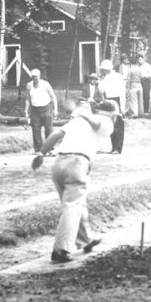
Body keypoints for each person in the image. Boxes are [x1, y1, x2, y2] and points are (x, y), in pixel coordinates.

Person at [32, 99, 116, 263]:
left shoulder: (79, 120)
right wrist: (84, 113)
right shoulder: (106, 121)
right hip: (77, 163)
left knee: (76, 203)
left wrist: (42, 153)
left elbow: (56, 135)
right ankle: (61, 250)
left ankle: (86, 240)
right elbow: (99, 122)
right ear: (113, 114)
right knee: (73, 206)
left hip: (59, 164)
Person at [25, 68, 58, 154]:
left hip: (46, 108)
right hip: (35, 109)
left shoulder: (45, 84)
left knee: (49, 129)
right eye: (32, 77)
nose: (34, 79)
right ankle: (38, 149)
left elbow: (53, 97)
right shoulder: (29, 85)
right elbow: (28, 99)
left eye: (36, 77)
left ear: (39, 76)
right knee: (36, 129)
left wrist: (56, 109)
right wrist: (26, 111)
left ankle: (50, 149)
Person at [98, 59, 126, 153]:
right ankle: (113, 147)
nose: (103, 71)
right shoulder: (104, 78)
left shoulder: (118, 77)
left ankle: (118, 148)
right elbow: (101, 90)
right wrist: (101, 79)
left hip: (117, 100)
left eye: (104, 69)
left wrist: (122, 107)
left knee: (118, 124)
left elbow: (122, 92)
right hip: (108, 100)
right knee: (111, 124)